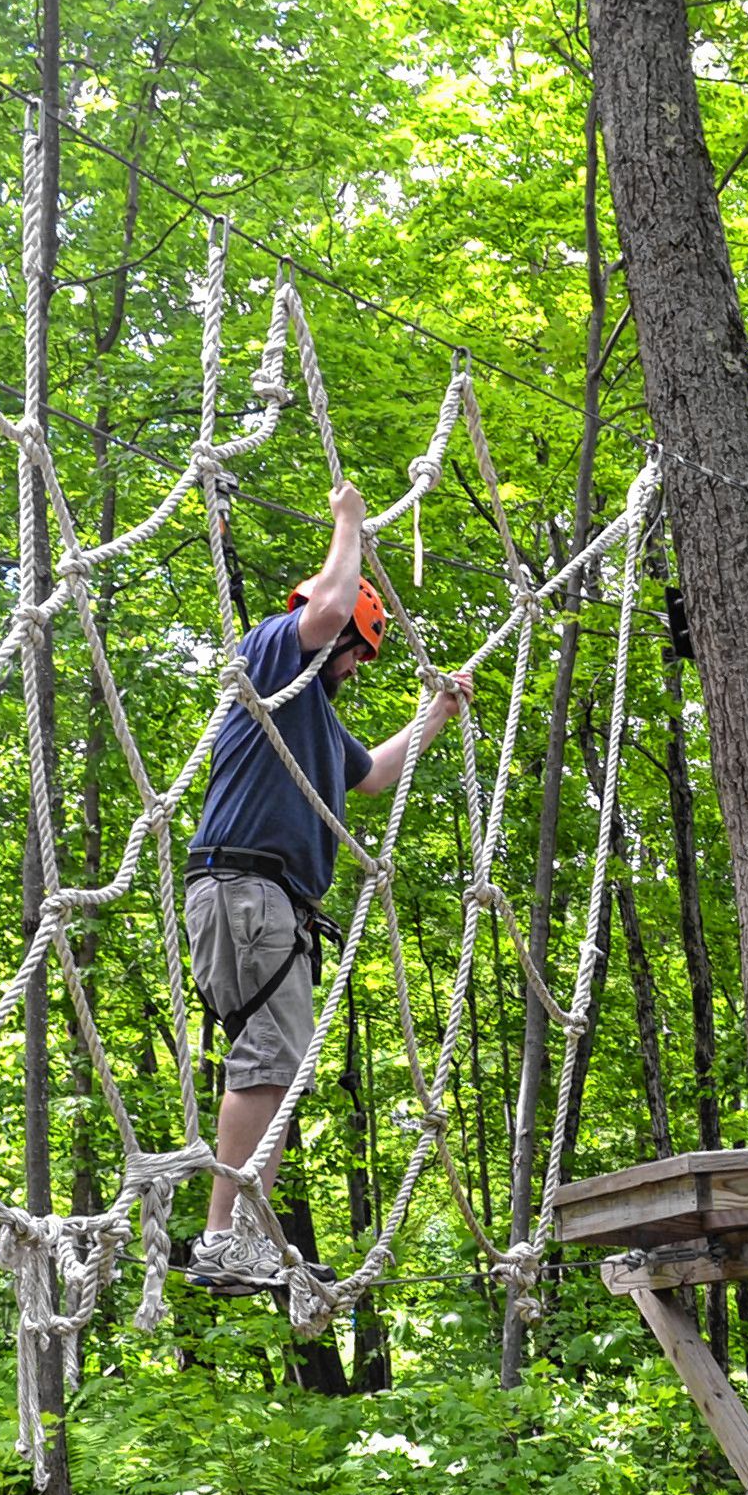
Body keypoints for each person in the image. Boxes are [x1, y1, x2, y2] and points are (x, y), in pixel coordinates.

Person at [185, 481, 470, 1289]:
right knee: (268, 1062)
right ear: (340, 636)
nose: (352, 665)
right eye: (355, 651)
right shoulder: (277, 650)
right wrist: (348, 520)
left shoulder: (313, 716)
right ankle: (224, 1237)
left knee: (272, 1064)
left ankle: (240, 1234)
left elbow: (372, 777)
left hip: (261, 900)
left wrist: (436, 714)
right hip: (248, 889)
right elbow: (326, 609)